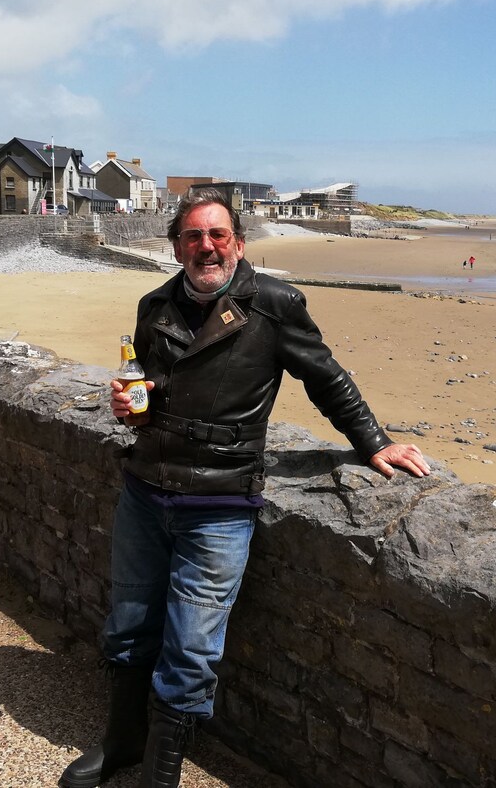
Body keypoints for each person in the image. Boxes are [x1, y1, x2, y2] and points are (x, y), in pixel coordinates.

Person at [60, 188, 430, 788]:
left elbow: (326, 377)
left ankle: (161, 776)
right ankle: (122, 743)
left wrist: (374, 442)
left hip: (220, 501)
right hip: (146, 488)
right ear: (175, 245)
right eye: (193, 236)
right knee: (128, 625)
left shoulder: (274, 303)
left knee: (191, 649)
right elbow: (148, 389)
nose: (206, 246)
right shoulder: (154, 304)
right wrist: (132, 408)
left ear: (237, 242)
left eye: (218, 235)